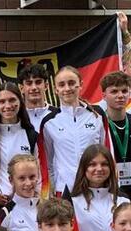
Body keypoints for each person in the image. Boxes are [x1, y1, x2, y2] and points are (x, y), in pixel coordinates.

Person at [39, 66, 107, 196]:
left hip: (95, 188)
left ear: (80, 85)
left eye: (71, 83)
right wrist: (53, 190)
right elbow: (46, 162)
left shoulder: (97, 115)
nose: (67, 88)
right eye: (62, 84)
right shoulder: (49, 122)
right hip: (64, 191)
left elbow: (107, 152)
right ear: (56, 89)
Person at [0, 83, 37, 205]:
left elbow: (40, 172)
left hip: (24, 203)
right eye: (2, 101)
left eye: (12, 100)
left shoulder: (31, 136)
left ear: (20, 102)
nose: (7, 105)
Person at [68, 144, 125, 231]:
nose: (99, 169)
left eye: (104, 164)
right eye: (92, 164)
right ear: (84, 168)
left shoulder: (123, 201)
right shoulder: (72, 203)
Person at [100, 71, 131, 199]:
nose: (120, 96)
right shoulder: (99, 125)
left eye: (124, 91)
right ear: (104, 95)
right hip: (108, 190)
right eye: (114, 91)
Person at [0, 154, 43, 231]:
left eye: (32, 177)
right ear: (11, 180)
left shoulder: (47, 209)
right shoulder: (6, 212)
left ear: (38, 177)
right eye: (22, 178)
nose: (28, 183)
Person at [17, 63, 55, 133]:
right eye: (29, 83)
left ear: (46, 86)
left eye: (38, 82)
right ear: (21, 88)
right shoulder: (16, 117)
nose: (34, 87)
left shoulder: (58, 115)